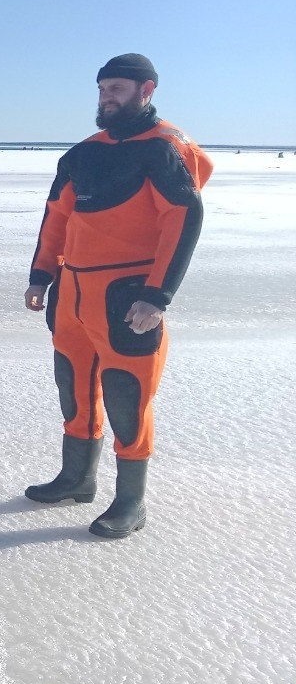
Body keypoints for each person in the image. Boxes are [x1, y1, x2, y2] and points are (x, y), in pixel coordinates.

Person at [24, 54, 213, 537]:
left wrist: (158, 294)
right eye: (103, 89)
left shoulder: (165, 148)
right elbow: (56, 218)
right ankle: (75, 479)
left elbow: (183, 219)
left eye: (118, 90)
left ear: (146, 90)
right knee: (73, 384)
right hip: (73, 291)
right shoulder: (83, 153)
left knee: (128, 395)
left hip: (128, 295)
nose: (107, 97)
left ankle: (130, 502)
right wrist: (42, 275)